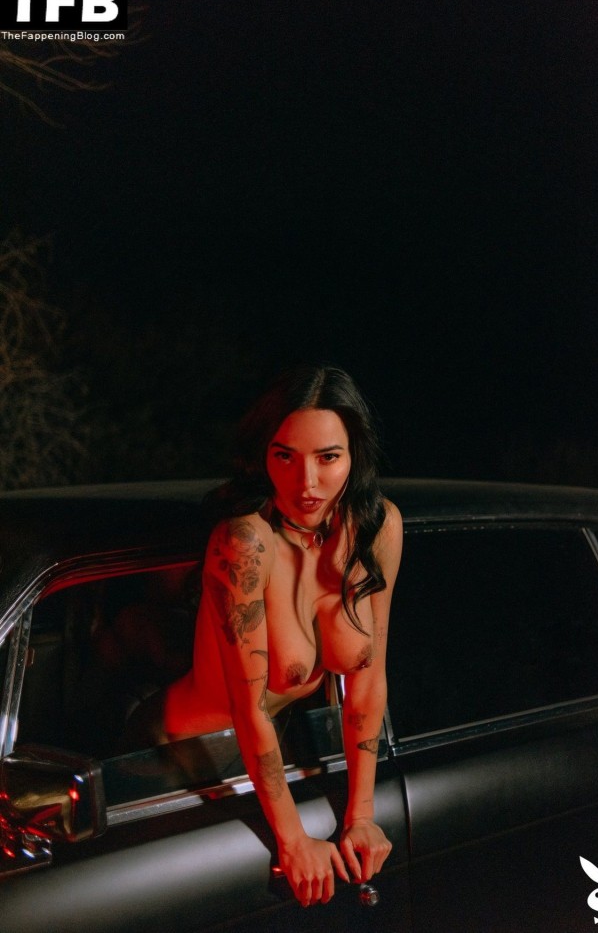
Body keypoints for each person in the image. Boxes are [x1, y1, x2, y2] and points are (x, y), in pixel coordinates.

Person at [165, 364, 403, 907]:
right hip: (175, 763)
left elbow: (368, 681)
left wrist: (361, 815)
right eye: (285, 457)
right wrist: (293, 840)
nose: (307, 483)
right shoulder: (246, 543)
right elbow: (248, 709)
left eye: (328, 457)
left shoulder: (376, 528)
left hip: (272, 756)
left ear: (355, 455)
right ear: (262, 454)